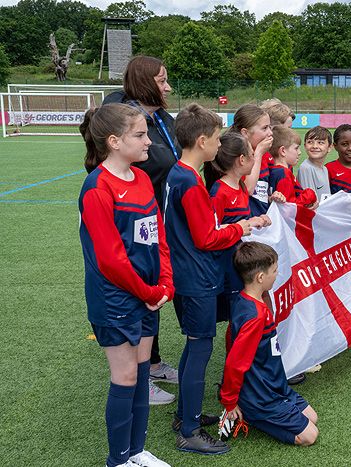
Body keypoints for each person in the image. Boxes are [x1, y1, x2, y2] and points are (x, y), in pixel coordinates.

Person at [78, 103, 173, 467]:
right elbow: (111, 259)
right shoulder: (97, 187)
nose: (149, 141)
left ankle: (137, 452)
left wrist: (165, 282)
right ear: (114, 141)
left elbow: (158, 235)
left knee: (142, 372)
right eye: (140, 135)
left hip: (149, 295)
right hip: (116, 298)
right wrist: (150, 293)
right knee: (127, 375)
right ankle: (118, 460)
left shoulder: (143, 178)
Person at [164, 103, 248, 454]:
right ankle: (190, 431)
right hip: (196, 279)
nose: (219, 146)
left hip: (186, 275)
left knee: (193, 347)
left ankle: (187, 414)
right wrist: (240, 227)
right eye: (215, 138)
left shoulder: (177, 174)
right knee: (200, 349)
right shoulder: (191, 183)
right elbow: (207, 238)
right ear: (202, 141)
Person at [103, 55, 180, 405]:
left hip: (155, 216)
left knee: (154, 290)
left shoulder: (162, 117)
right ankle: (136, 377)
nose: (167, 87)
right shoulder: (119, 110)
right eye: (161, 80)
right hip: (127, 219)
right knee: (134, 293)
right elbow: (162, 160)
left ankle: (152, 363)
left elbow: (173, 157)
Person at [219, 242, 319, 446]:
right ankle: (249, 415)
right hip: (260, 394)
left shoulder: (246, 301)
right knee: (309, 436)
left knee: (312, 418)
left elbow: (230, 339)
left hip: (275, 384)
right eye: (274, 270)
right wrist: (230, 402)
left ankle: (257, 410)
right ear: (260, 277)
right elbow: (235, 363)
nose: (277, 274)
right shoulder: (254, 316)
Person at [207, 131, 271, 346]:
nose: (256, 159)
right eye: (253, 154)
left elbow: (242, 221)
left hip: (243, 260)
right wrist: (244, 225)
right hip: (228, 264)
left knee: (250, 308)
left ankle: (252, 354)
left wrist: (256, 219)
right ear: (242, 160)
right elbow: (212, 230)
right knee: (237, 315)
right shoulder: (219, 191)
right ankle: (235, 360)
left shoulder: (241, 185)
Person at [214, 105, 273, 216]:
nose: (270, 133)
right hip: (243, 224)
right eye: (264, 128)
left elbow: (262, 191)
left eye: (270, 127)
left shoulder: (264, 154)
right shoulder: (234, 155)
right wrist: (258, 153)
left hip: (260, 222)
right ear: (245, 133)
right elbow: (248, 189)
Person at [268, 125, 318, 208]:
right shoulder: (283, 173)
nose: (299, 152)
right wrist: (309, 195)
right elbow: (288, 207)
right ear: (283, 151)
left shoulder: (274, 170)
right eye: (296, 148)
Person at [297, 126, 333, 200]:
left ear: (329, 147)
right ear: (305, 146)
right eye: (310, 142)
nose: (315, 146)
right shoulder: (306, 168)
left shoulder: (324, 169)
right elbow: (309, 202)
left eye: (320, 143)